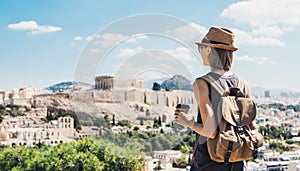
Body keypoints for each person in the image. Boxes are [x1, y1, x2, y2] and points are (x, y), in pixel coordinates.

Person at [174, 26, 250, 171]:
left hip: (210, 162)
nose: (200, 52)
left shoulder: (202, 83)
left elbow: (210, 131)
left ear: (209, 49)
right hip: (238, 161)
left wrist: (187, 122)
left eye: (201, 48)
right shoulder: (243, 84)